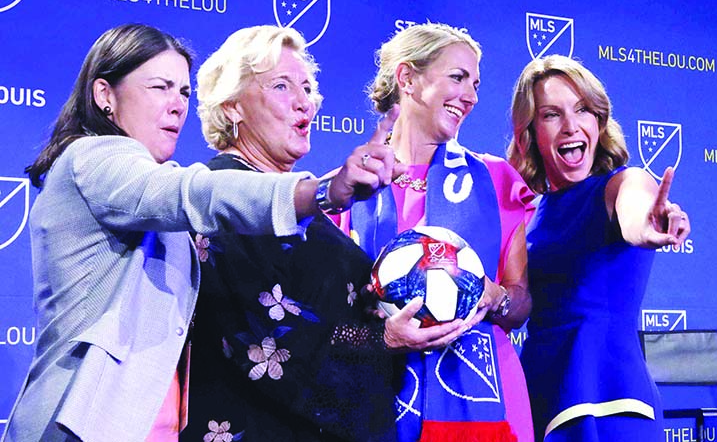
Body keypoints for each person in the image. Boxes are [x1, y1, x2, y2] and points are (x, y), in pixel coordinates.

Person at [1, 23, 407, 442]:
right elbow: (191, 194)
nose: (177, 105)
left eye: (183, 92)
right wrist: (321, 191)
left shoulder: (156, 192)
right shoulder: (93, 157)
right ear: (105, 95)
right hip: (80, 428)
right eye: (159, 87)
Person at [180, 25, 471, 442]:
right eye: (282, 86)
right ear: (232, 107)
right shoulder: (219, 199)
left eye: (308, 87)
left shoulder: (310, 209)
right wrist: (383, 338)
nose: (305, 102)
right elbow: (269, 343)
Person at [335, 23, 535, 441]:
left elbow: (520, 304)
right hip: (376, 401)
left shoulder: (497, 180)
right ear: (407, 78)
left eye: (476, 84)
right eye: (458, 77)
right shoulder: (348, 189)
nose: (472, 96)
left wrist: (493, 295)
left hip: (487, 399)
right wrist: (384, 336)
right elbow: (330, 329)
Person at [506, 54, 691, 441]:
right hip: (537, 399)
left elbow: (638, 214)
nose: (571, 126)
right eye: (551, 114)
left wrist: (652, 224)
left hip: (608, 398)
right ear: (530, 133)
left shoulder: (621, 185)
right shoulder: (526, 214)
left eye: (583, 110)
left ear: (599, 121)